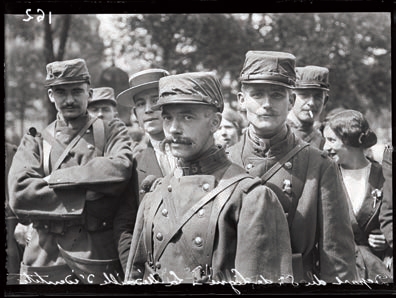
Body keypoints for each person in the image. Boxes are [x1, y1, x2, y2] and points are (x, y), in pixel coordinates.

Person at [123, 71, 293, 284]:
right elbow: (135, 276)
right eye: (167, 117)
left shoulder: (250, 198)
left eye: (187, 117)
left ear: (215, 123)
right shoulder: (154, 194)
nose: (174, 129)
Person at [227, 50, 357, 283]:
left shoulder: (318, 165)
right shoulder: (224, 162)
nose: (266, 105)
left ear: (291, 101)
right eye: (257, 94)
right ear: (241, 100)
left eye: (277, 95)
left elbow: (338, 257)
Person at [7, 58, 136, 284]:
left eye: (77, 91)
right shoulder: (35, 140)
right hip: (44, 258)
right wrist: (89, 193)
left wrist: (52, 180)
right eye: (60, 93)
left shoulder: (111, 130)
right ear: (50, 96)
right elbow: (20, 194)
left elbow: (119, 169)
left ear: (90, 93)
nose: (69, 100)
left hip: (96, 256)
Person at [322, 109, 393, 282]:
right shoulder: (324, 175)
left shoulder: (383, 175)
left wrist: (386, 242)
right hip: (335, 270)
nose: (325, 147)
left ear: (351, 142)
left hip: (377, 271)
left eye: (331, 140)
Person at [117, 68, 176, 204]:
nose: (148, 109)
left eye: (155, 101)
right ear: (136, 115)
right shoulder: (133, 165)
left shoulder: (194, 152)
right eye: (141, 104)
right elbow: (128, 220)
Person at [287, 65, 330, 149]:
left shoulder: (325, 139)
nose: (311, 103)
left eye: (318, 97)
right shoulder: (276, 133)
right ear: (291, 98)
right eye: (304, 95)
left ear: (325, 101)